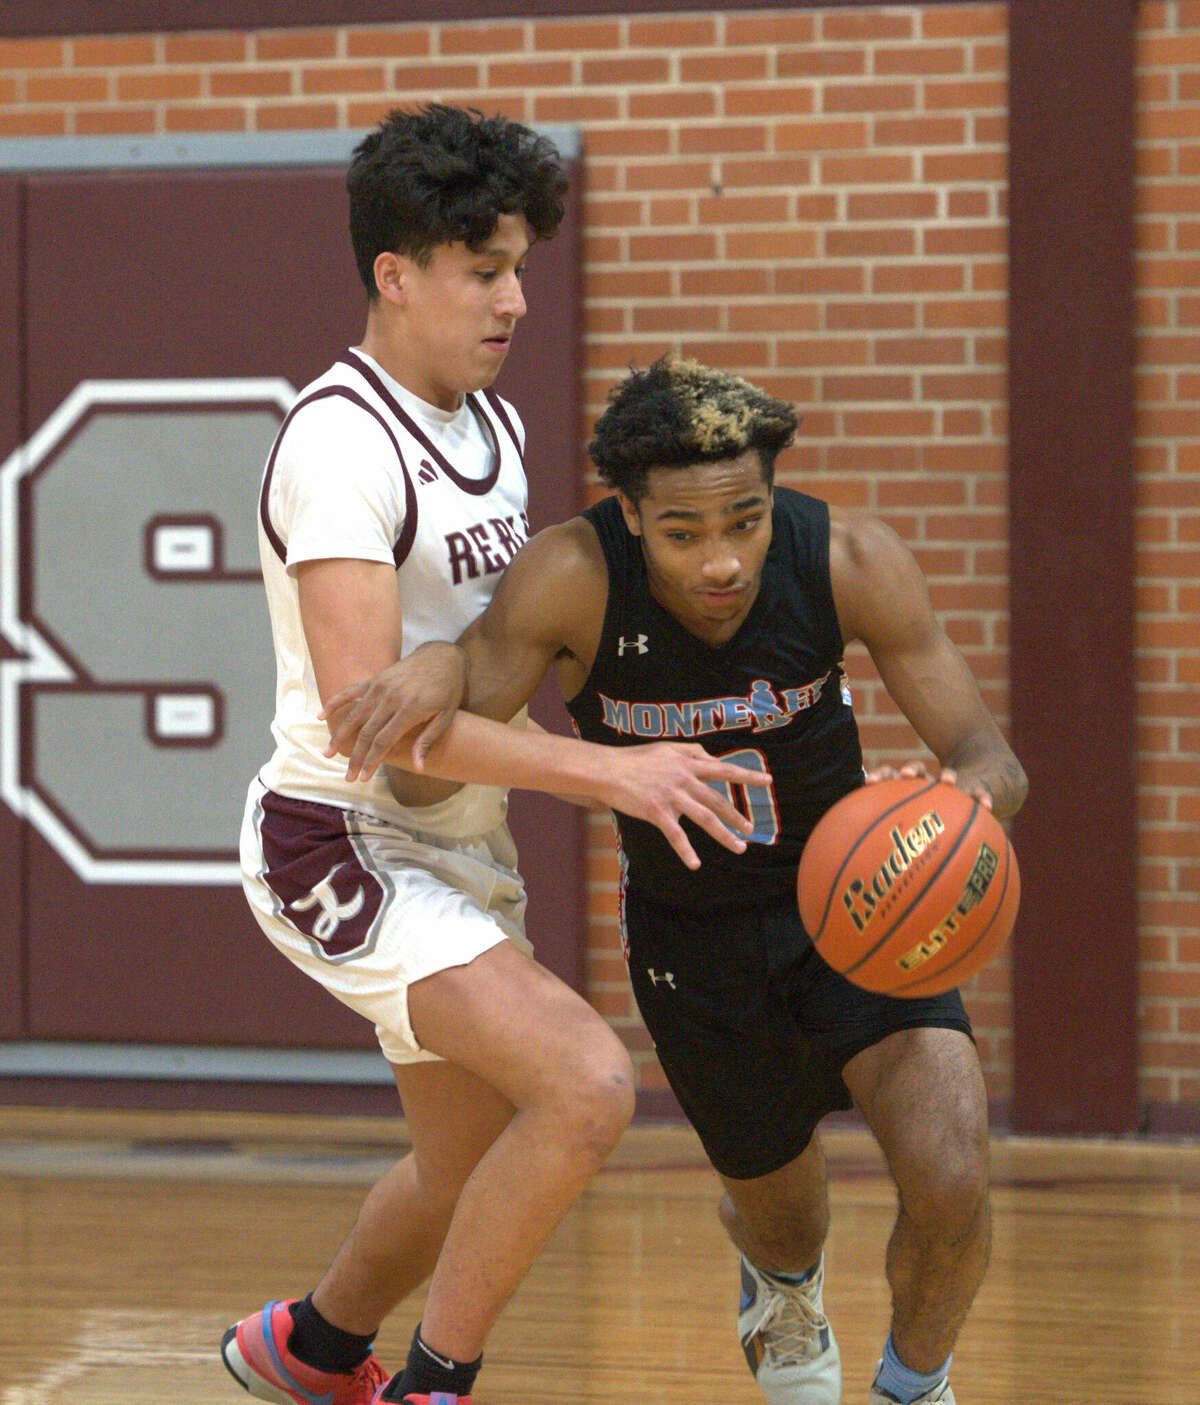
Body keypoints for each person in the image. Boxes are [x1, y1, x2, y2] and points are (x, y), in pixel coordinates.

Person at [323, 355, 1029, 1405]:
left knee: (953, 1177)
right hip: (695, 942)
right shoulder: (574, 576)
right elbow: (423, 784)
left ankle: (914, 1387)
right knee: (786, 1218)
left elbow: (994, 760)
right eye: (684, 533)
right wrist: (443, 667)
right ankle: (782, 1283)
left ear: (774, 498)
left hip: (867, 911)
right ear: (632, 515)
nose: (722, 561)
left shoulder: (850, 558)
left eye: (746, 522)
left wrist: (953, 806)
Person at [222, 114, 768, 1405]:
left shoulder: (497, 428)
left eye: (520, 267)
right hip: (342, 838)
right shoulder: (343, 444)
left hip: (461, 830)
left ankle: (311, 1347)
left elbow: (501, 661)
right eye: (484, 270)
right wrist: (614, 775)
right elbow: (374, 722)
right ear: (395, 273)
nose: (516, 299)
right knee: (586, 1085)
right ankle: (435, 1385)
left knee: (462, 1162)